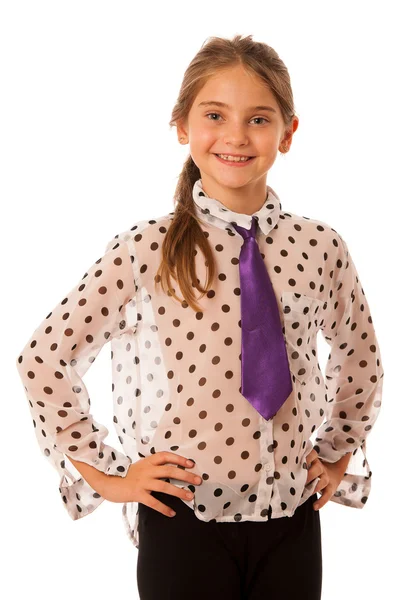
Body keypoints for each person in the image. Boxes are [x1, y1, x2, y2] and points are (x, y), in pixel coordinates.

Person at [15, 34, 384, 600]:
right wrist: (108, 477)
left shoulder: (320, 247)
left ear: (288, 133)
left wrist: (335, 455)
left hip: (290, 518)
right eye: (215, 115)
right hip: (182, 520)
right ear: (183, 127)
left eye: (258, 119)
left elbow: (358, 353)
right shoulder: (146, 249)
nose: (236, 136)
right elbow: (43, 358)